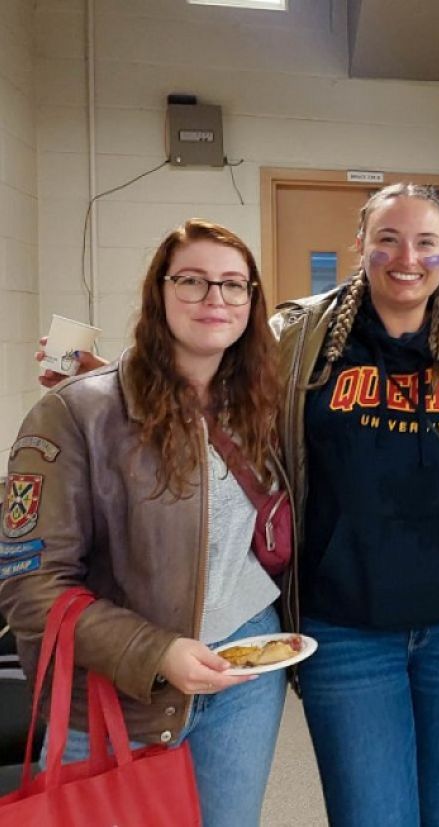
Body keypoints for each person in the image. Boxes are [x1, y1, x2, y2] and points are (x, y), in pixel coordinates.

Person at [1, 219, 287, 827]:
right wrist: (155, 651)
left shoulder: (260, 405)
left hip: (244, 672)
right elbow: (31, 591)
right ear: (159, 294)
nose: (216, 299)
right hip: (115, 692)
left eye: (235, 286)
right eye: (193, 281)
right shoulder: (73, 413)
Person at [271, 182, 439, 826]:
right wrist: (118, 383)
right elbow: (213, 382)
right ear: (361, 246)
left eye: (426, 242)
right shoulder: (298, 337)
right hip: (345, 624)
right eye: (387, 238)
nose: (407, 256)